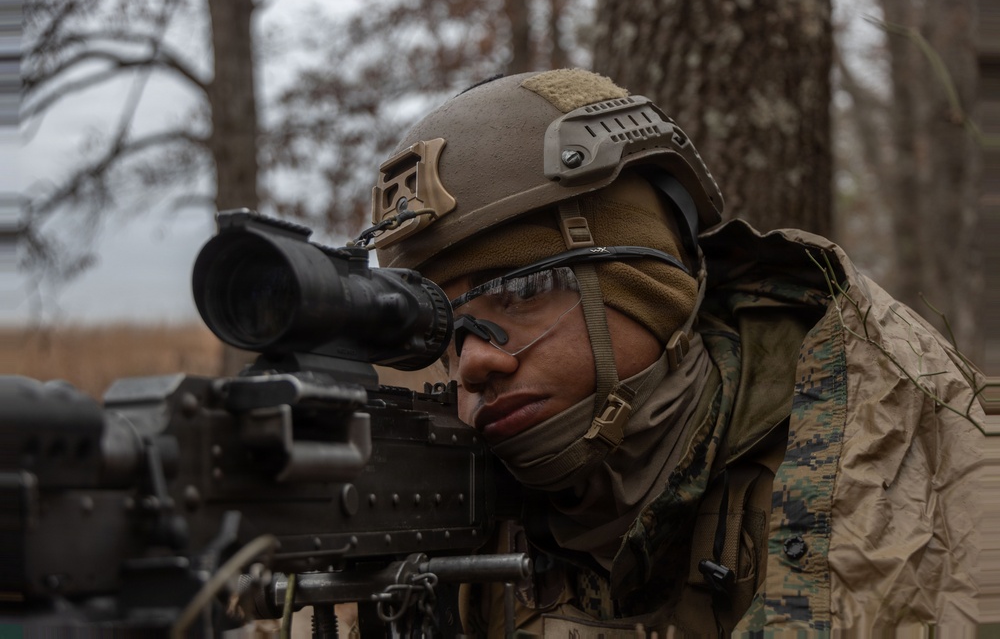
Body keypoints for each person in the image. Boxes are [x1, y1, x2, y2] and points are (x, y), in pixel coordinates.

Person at [360, 69, 983, 635]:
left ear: (649, 287)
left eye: (520, 290)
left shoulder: (912, 479)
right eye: (446, 332)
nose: (473, 364)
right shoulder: (454, 530)